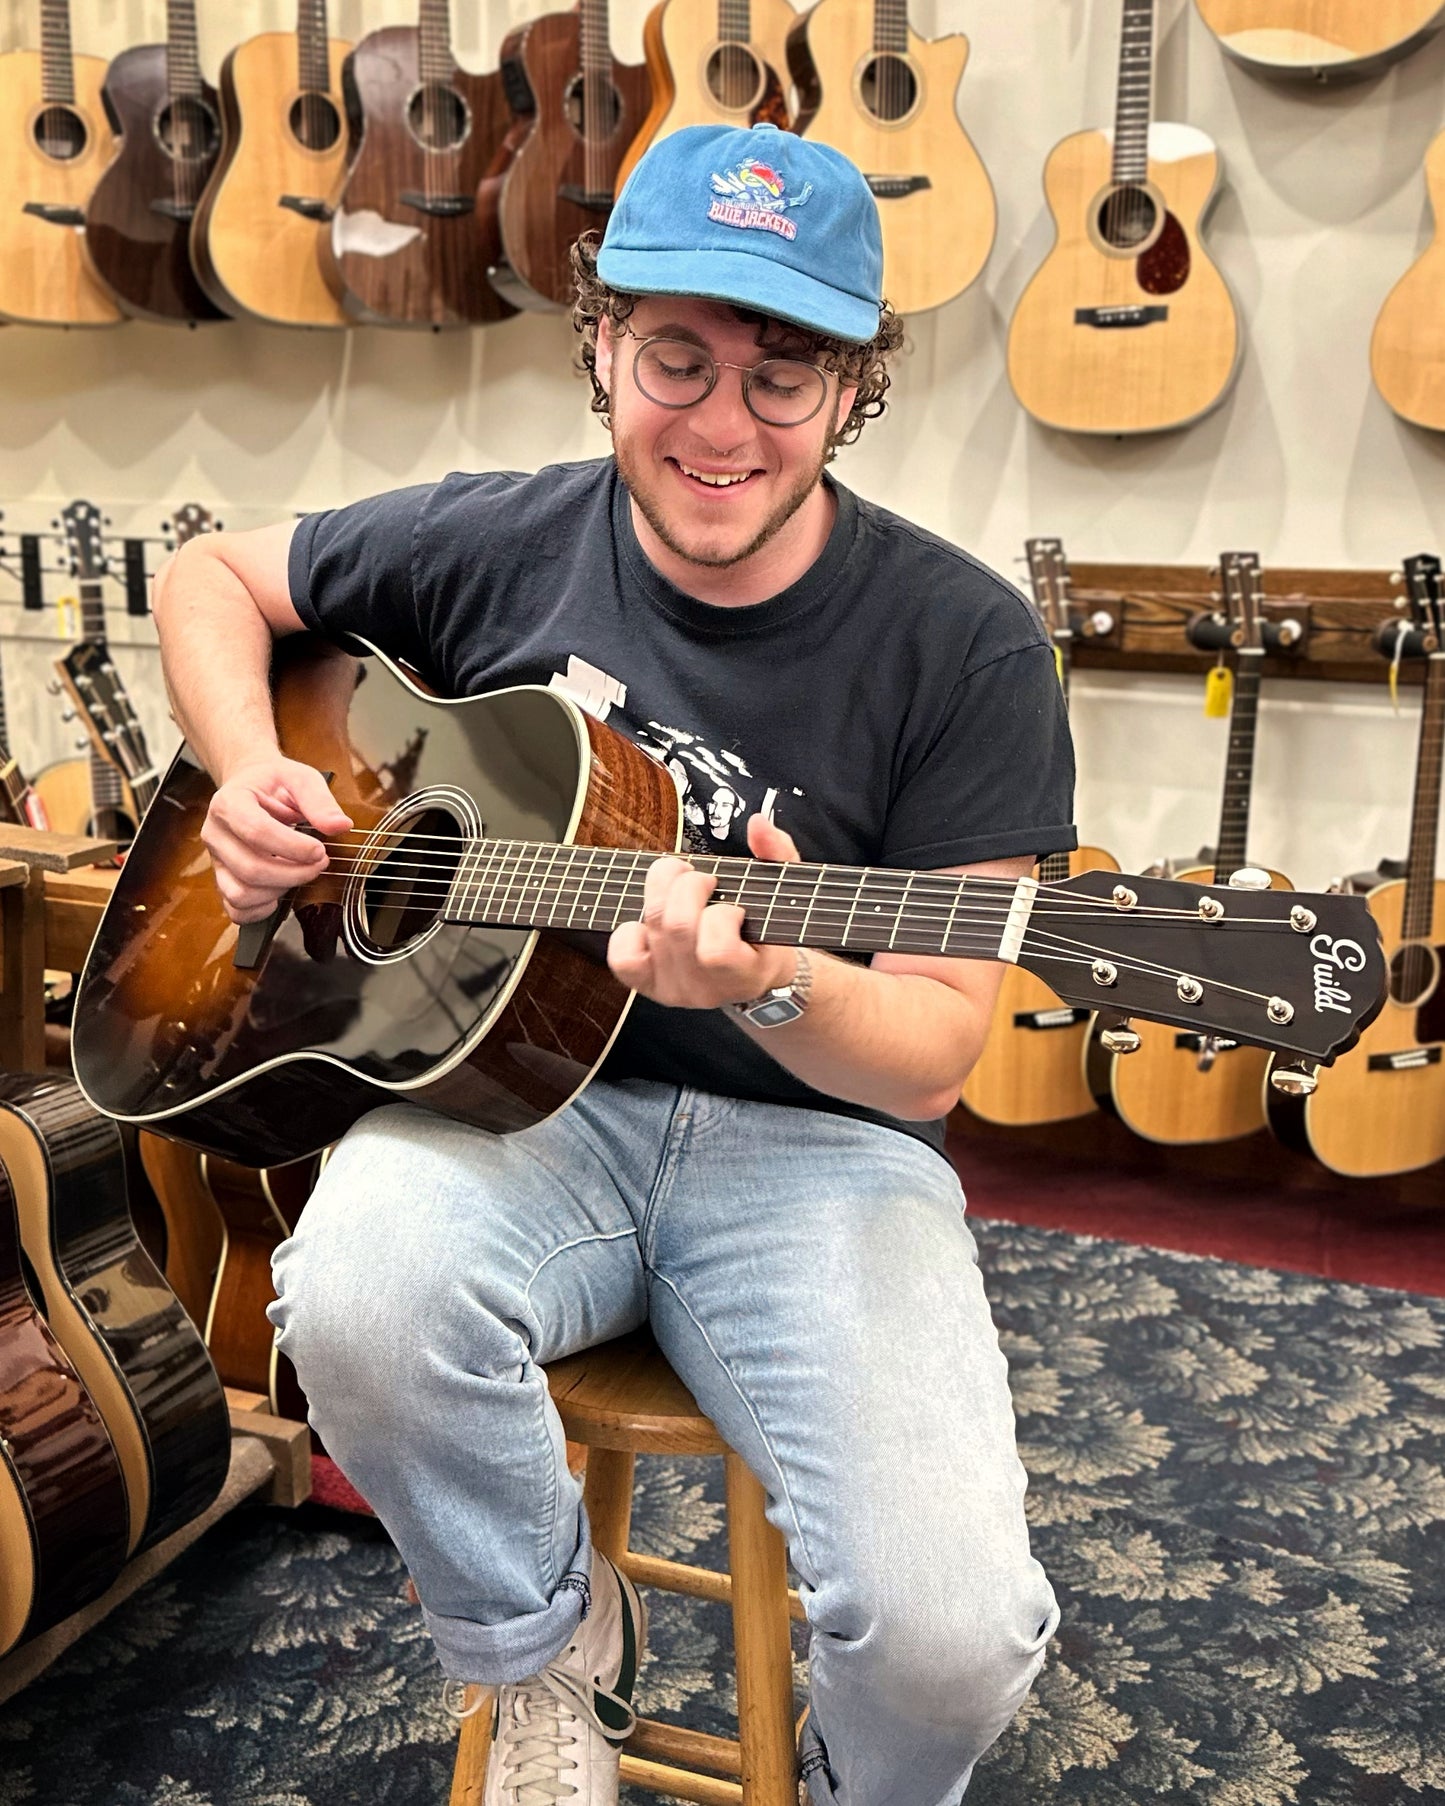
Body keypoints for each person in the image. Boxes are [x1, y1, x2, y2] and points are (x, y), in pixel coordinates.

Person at [150, 122, 1074, 1806]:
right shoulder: (486, 540)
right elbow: (209, 574)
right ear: (598, 344)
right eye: (676, 356)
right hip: (519, 1113)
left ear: (859, 388)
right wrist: (252, 772)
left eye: (784, 376)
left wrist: (777, 975)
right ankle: (543, 1651)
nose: (722, 424)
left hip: (818, 1149)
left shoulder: (966, 644)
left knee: (952, 1639)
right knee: (347, 1295)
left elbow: (934, 1053)